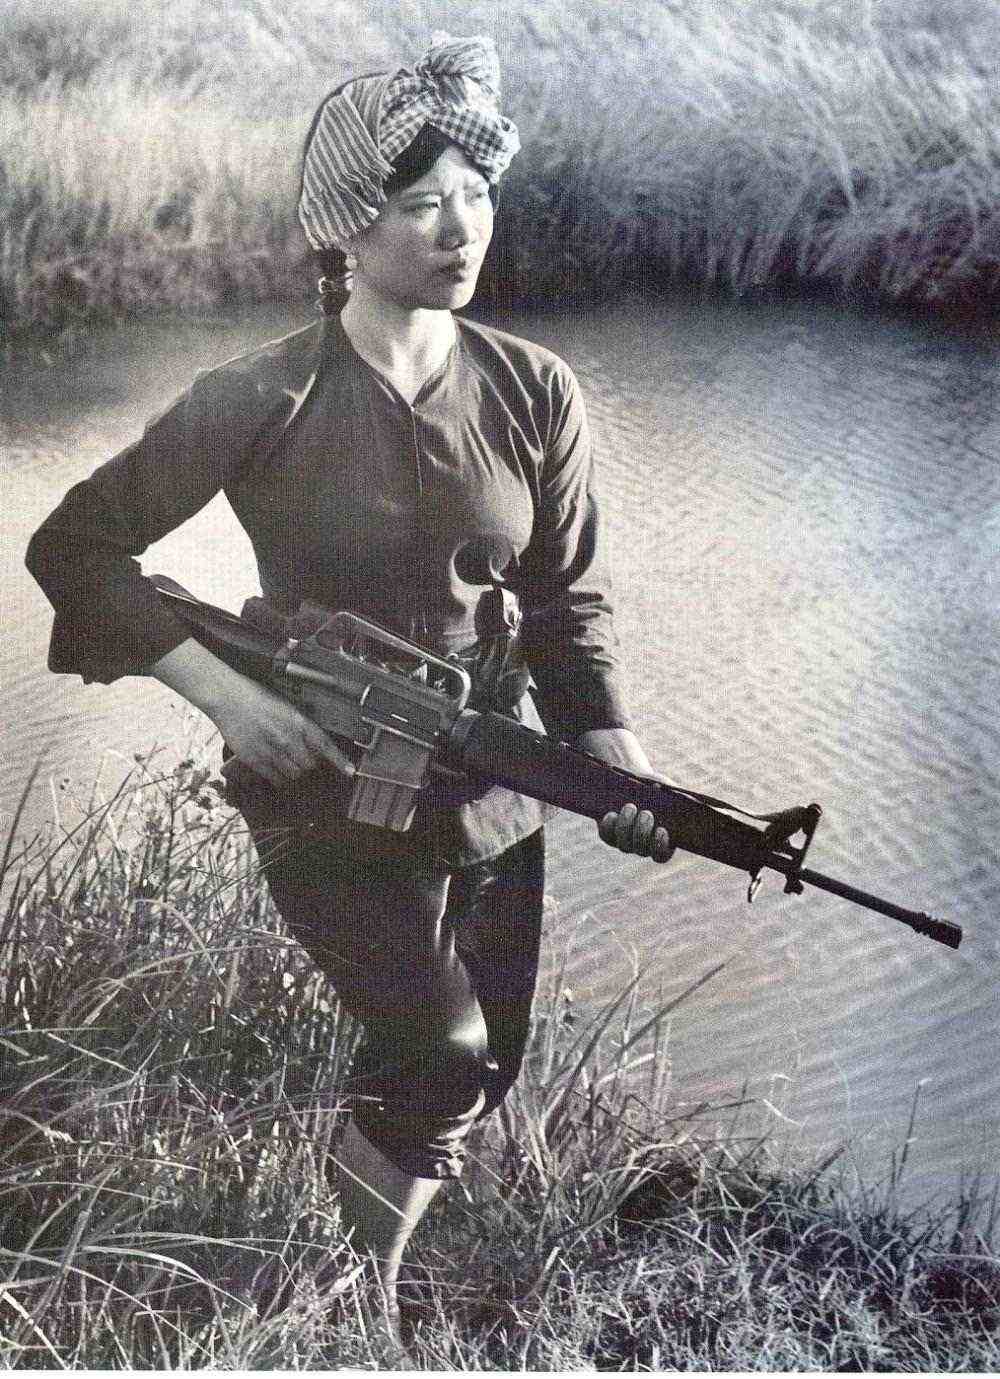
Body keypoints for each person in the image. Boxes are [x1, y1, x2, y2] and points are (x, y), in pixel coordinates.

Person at [26, 33, 673, 1357]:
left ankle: (363, 1244)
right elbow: (75, 549)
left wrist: (614, 757)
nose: (460, 228)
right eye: (423, 202)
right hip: (319, 780)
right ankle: (358, 1311)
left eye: (476, 195)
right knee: (437, 1051)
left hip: (490, 784)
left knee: (482, 1069)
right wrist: (227, 702)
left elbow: (568, 607)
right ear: (347, 226)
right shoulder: (262, 393)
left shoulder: (534, 389)